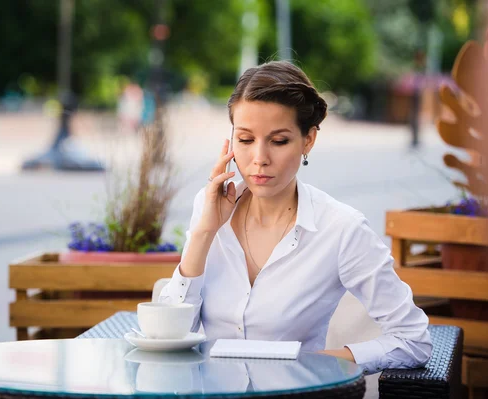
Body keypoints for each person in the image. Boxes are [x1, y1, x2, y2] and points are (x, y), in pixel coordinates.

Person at [159, 61, 432, 373]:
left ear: (308, 141)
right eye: (245, 140)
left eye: (278, 141)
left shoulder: (341, 229)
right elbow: (169, 334)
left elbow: (413, 340)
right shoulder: (208, 208)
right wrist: (204, 233)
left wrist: (317, 362)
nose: (259, 159)